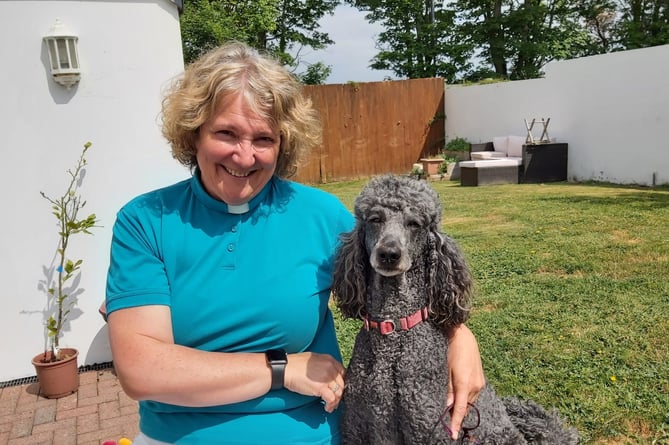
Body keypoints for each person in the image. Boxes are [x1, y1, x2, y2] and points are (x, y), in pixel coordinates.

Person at [105, 41, 485, 445]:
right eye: (226, 133)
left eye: (263, 139)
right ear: (193, 132)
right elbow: (142, 370)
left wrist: (460, 334)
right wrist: (282, 368)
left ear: (283, 144)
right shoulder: (146, 220)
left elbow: (408, 278)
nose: (244, 156)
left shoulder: (320, 215)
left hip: (307, 432)